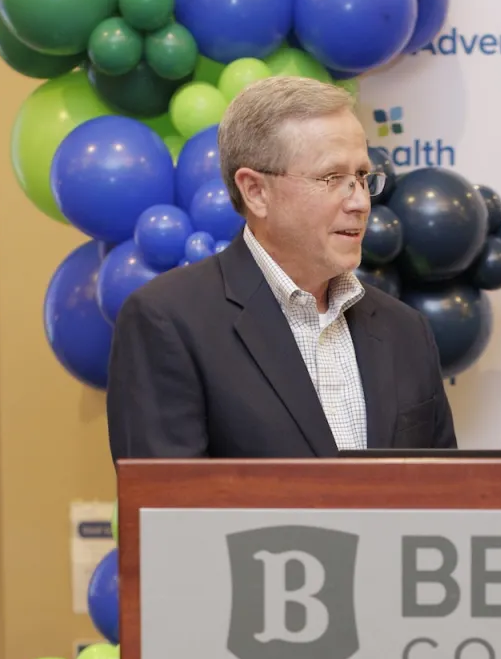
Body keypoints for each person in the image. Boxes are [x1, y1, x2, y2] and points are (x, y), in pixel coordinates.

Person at [107, 75, 455, 460]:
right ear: (255, 191)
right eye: (332, 178)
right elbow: (169, 510)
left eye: (361, 176)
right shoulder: (168, 321)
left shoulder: (406, 331)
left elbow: (443, 501)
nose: (359, 202)